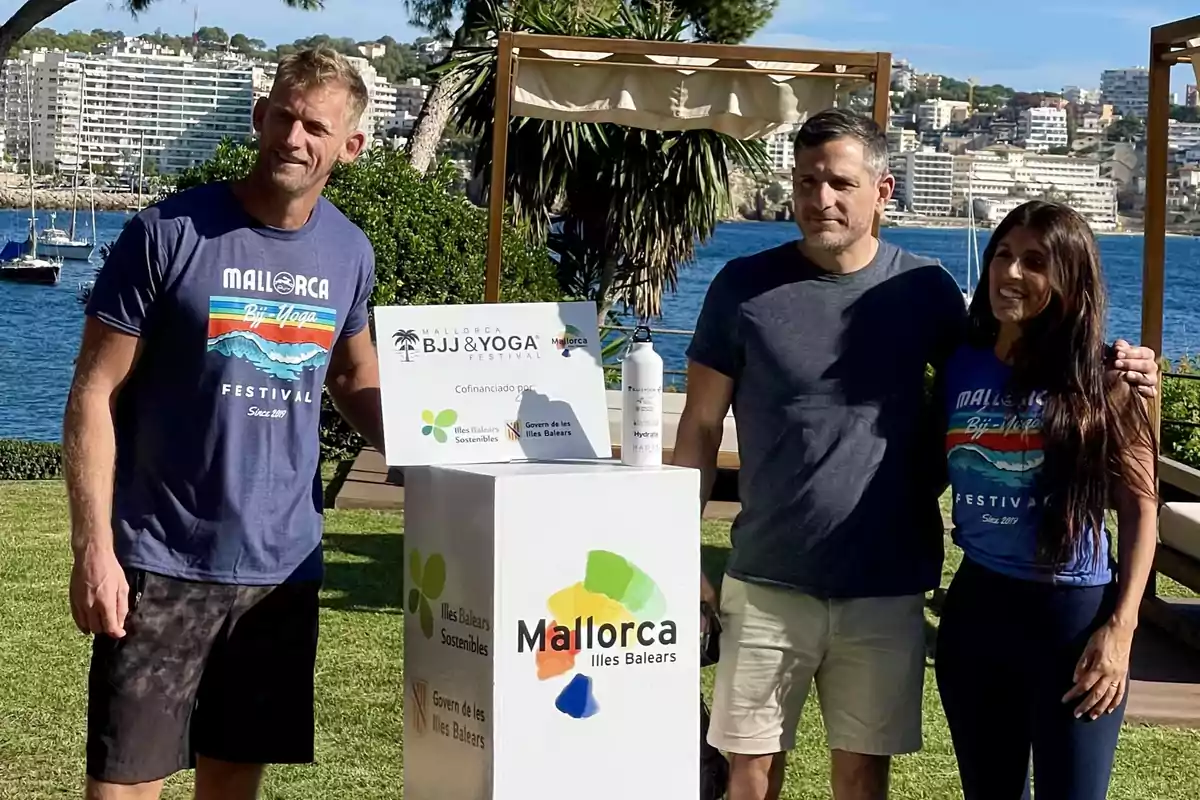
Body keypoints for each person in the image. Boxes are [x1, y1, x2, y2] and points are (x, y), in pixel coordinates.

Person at [671, 108, 1161, 800]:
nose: (821, 199)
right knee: (749, 770)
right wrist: (680, 556)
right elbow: (697, 426)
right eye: (807, 180)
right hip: (770, 575)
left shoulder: (925, 291)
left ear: (883, 191)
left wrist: (1131, 369)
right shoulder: (742, 289)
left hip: (893, 584)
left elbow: (1030, 369)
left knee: (864, 771)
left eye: (840, 181)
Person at [62, 45, 384, 800]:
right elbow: (93, 393)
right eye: (281, 116)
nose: (292, 138)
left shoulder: (348, 251)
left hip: (279, 575)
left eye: (314, 125)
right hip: (161, 563)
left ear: (351, 146)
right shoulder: (168, 233)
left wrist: (442, 444)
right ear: (258, 117)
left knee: (233, 786)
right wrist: (94, 550)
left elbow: (352, 374)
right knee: (124, 787)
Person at [933, 201, 1158, 800]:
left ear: (1068, 277)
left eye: (1034, 261)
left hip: (1071, 618)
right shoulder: (962, 364)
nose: (1010, 273)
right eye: (1002, 255)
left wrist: (1121, 628)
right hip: (977, 611)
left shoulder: (1109, 376)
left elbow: (1141, 509)